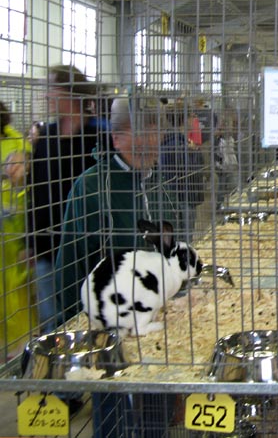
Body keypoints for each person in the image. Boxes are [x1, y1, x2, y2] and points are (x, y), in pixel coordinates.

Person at [55, 94, 178, 437]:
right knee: (112, 415)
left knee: (157, 409)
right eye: (141, 143)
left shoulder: (158, 181)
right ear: (116, 138)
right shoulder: (92, 187)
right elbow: (72, 262)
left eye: (155, 140)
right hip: (110, 326)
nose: (150, 151)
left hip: (159, 326)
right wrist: (69, 330)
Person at [27, 65, 105, 334]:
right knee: (53, 323)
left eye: (51, 88)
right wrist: (31, 242)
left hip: (88, 246)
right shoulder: (45, 137)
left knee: (94, 315)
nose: (46, 95)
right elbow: (34, 191)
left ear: (69, 93)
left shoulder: (96, 137)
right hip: (49, 247)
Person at [0, 102, 34, 360]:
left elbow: (27, 182)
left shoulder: (17, 143)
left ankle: (18, 349)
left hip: (14, 228)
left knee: (16, 290)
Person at [159, 105, 206, 242]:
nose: (194, 119)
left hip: (179, 197)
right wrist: (195, 153)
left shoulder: (176, 142)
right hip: (183, 199)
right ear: (184, 120)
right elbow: (190, 171)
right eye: (192, 116)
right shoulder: (178, 145)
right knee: (184, 240)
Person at [213, 121, 238, 208]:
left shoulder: (231, 139)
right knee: (221, 186)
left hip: (231, 165)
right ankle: (219, 205)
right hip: (221, 167)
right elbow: (215, 154)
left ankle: (232, 204)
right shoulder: (217, 140)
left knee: (231, 185)